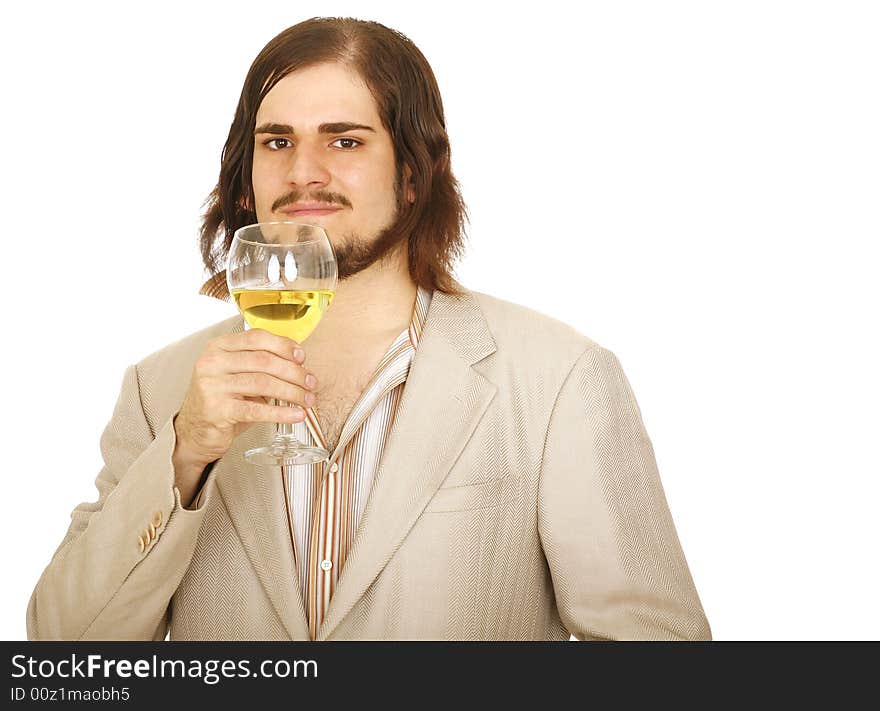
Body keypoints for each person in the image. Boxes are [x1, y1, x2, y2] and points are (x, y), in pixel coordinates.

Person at [26, 17, 711, 641]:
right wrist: (185, 452)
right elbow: (63, 653)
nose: (304, 172)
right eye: (278, 142)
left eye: (345, 140)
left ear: (412, 175)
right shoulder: (160, 390)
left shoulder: (558, 378)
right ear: (245, 183)